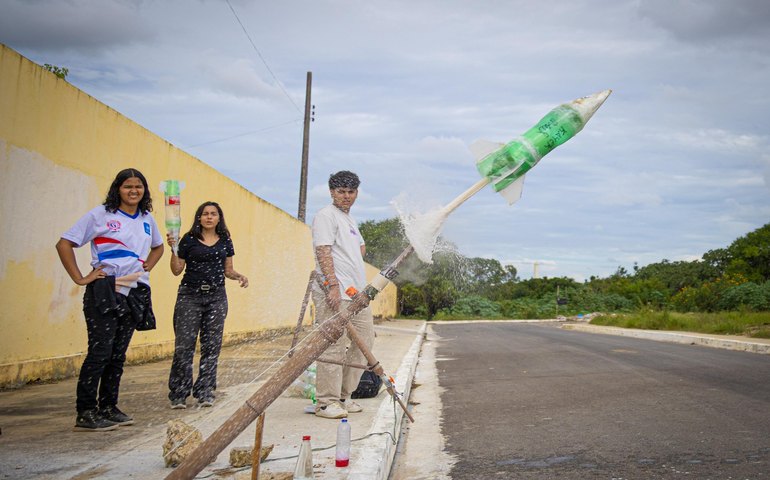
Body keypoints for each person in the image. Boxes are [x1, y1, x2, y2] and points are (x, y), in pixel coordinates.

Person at [56, 168, 164, 432]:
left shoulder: (147, 218)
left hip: (134, 292)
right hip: (104, 290)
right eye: (128, 186)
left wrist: (146, 267)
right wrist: (82, 278)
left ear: (144, 191)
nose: (133, 191)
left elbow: (158, 246)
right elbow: (64, 244)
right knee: (100, 352)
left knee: (117, 355)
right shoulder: (101, 215)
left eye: (138, 187)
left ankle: (108, 406)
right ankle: (86, 411)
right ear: (118, 189)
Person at [167, 201, 248, 409]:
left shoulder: (225, 241)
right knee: (184, 346)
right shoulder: (188, 240)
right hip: (190, 296)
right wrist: (174, 249)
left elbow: (228, 270)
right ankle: (179, 393)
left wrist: (239, 276)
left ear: (219, 218)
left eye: (213, 214)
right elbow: (177, 270)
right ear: (199, 218)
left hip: (216, 297)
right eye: (205, 214)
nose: (209, 217)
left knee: (211, 346)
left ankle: (205, 391)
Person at [311, 171, 374, 419]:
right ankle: (326, 402)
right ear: (331, 192)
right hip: (334, 292)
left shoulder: (350, 220)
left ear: (357, 193)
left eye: (351, 192)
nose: (346, 196)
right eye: (341, 192)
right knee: (332, 347)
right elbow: (323, 250)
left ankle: (344, 396)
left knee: (365, 342)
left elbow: (361, 247)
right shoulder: (326, 216)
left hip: (356, 294)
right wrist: (332, 285)